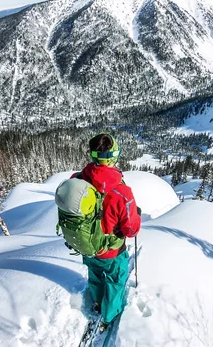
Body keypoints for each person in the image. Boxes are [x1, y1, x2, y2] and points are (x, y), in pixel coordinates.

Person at [72, 133, 141, 331]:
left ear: (93, 155)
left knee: (95, 276)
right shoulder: (122, 192)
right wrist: (136, 215)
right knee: (115, 281)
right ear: (113, 156)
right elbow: (131, 230)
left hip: (86, 245)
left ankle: (96, 302)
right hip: (111, 250)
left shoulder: (76, 180)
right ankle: (109, 316)